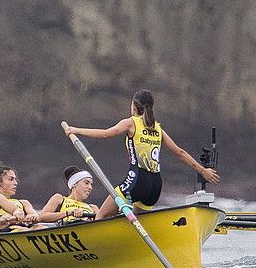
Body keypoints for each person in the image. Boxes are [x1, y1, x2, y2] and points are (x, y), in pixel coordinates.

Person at [64, 89, 219, 219]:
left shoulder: (131, 123)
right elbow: (180, 152)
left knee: (100, 218)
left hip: (136, 181)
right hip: (155, 186)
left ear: (134, 107)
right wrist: (203, 171)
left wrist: (75, 130)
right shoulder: (158, 129)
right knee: (136, 222)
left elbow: (105, 134)